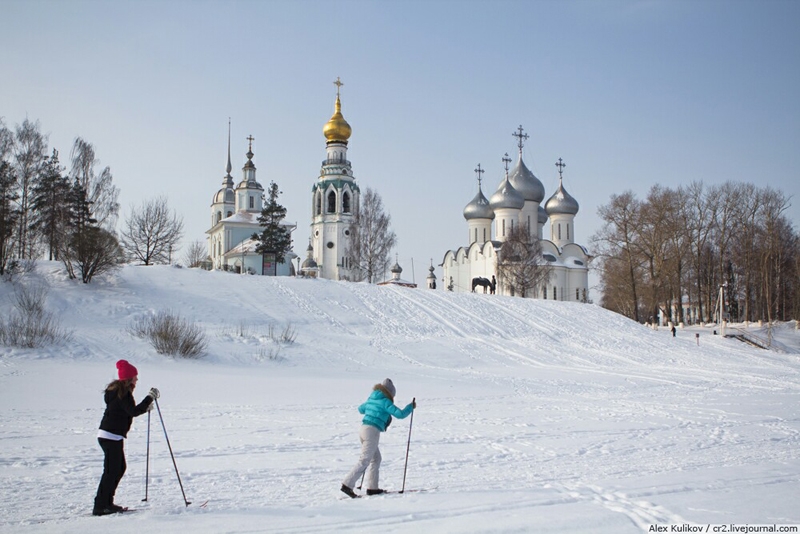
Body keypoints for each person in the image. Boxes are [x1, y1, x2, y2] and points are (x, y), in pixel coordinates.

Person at [93, 360, 159, 516]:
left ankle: (106, 503)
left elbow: (128, 410)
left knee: (118, 468)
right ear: (129, 378)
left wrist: (145, 407)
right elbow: (132, 411)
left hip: (110, 435)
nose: (137, 379)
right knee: (112, 471)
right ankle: (101, 505)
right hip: (110, 436)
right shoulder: (123, 394)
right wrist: (149, 398)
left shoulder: (117, 392)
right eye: (135, 377)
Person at [341, 378, 415, 498]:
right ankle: (347, 485)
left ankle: (372, 488)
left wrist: (371, 406)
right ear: (390, 393)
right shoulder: (386, 402)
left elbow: (360, 409)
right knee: (365, 460)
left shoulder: (372, 398)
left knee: (376, 459)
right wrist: (410, 407)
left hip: (363, 429)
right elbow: (400, 414)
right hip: (372, 431)